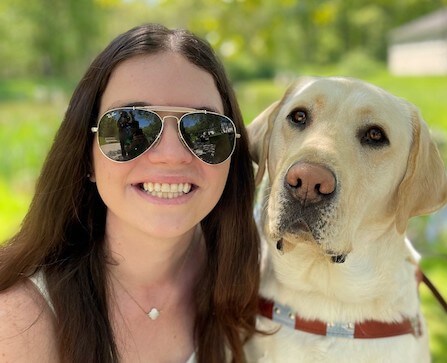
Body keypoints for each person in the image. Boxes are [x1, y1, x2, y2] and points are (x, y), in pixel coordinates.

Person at [0, 23, 260, 363]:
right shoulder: (19, 321)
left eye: (204, 129)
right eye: (131, 125)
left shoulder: (257, 278)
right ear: (86, 156)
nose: (172, 154)